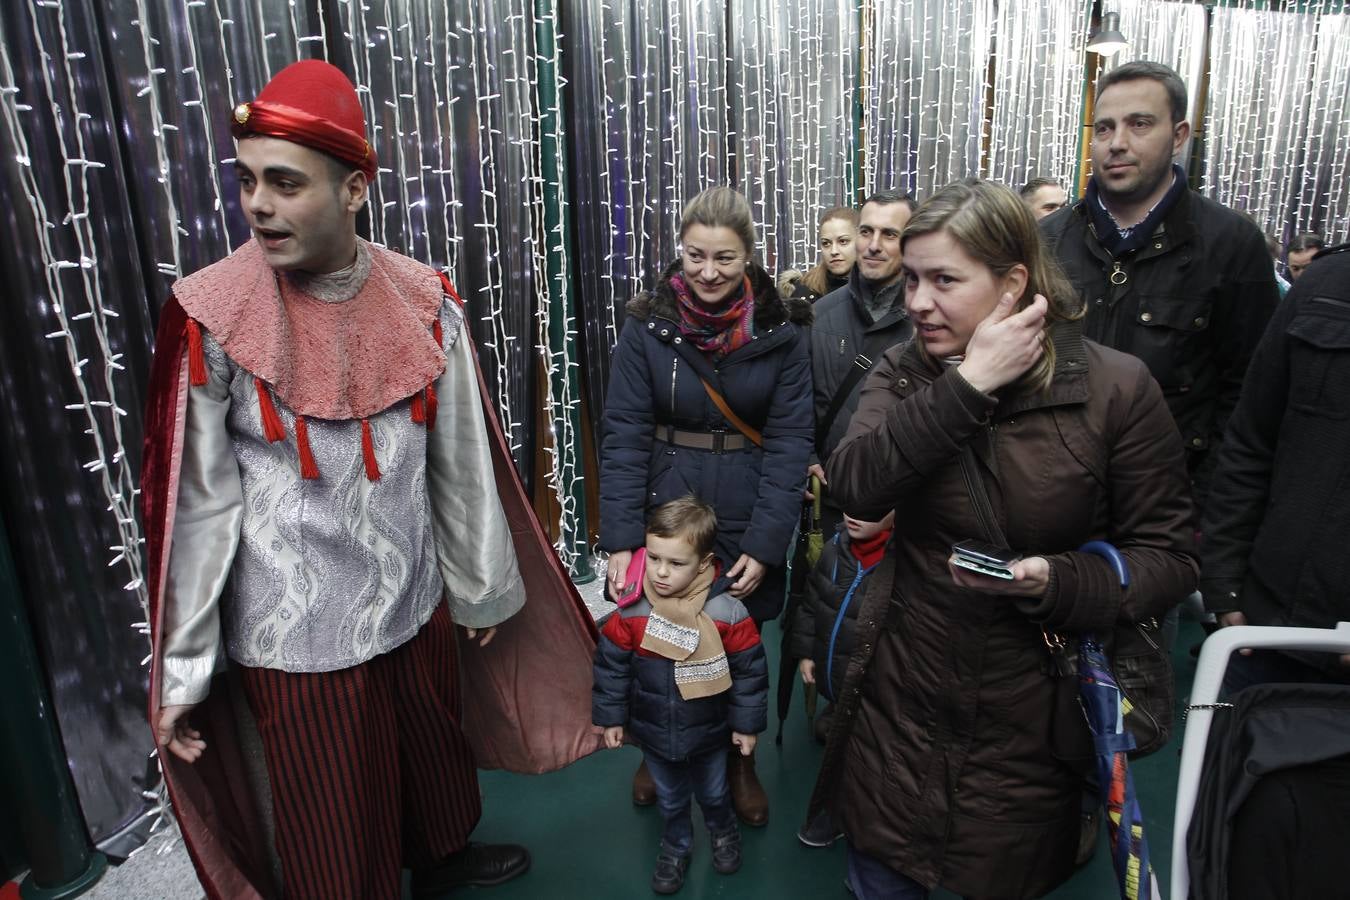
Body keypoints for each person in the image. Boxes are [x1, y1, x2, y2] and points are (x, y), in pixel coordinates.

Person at [141, 60, 601, 900]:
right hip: (300, 635)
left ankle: (442, 855)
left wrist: (479, 590)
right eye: (247, 181)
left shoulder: (423, 301)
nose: (258, 205)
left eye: (285, 183)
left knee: (431, 754)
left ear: (354, 189)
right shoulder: (213, 316)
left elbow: (461, 462)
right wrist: (180, 673)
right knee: (334, 818)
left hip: (411, 594)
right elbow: (198, 510)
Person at [815, 179, 1197, 899]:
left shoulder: (1114, 390)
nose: (917, 301)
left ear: (1012, 281)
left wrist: (1062, 585)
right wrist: (969, 385)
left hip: (1030, 723)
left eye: (944, 281)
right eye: (913, 279)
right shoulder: (906, 372)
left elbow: (1171, 557)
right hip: (902, 699)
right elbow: (856, 485)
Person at [599, 185, 813, 826]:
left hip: (747, 506)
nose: (708, 272)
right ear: (680, 252)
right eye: (696, 256)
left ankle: (738, 759)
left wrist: (767, 542)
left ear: (749, 256)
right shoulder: (646, 325)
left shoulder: (783, 333)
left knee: (734, 639)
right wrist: (621, 538)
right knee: (656, 634)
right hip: (666, 507)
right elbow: (624, 432)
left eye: (724, 258)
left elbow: (790, 442)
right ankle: (657, 748)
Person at [1040, 61, 1278, 518]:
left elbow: (1248, 395)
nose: (1118, 143)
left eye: (1140, 124)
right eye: (1104, 128)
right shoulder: (1048, 239)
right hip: (1051, 497)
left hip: (1166, 506)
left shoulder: (1231, 244)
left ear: (1180, 134)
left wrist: (1206, 511)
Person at [592, 496, 768, 895]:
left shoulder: (726, 612)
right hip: (655, 732)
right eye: (653, 558)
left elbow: (750, 673)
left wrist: (745, 726)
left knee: (714, 793)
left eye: (675, 563)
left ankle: (723, 833)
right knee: (670, 801)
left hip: (710, 732)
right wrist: (612, 717)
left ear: (704, 564)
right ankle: (676, 847)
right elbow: (611, 667)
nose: (660, 573)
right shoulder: (633, 612)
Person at [1202, 242, 1350, 689]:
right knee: (1235, 755)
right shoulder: (1327, 284)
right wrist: (1225, 587)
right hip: (1271, 627)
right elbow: (1251, 439)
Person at [807, 191, 917, 536]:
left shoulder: (927, 319)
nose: (873, 245)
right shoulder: (820, 315)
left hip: (901, 506)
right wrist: (803, 458)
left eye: (889, 234)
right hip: (828, 497)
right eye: (866, 232)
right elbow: (793, 399)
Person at [788, 510, 894, 848]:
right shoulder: (835, 548)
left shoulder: (902, 564)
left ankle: (842, 816)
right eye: (852, 502)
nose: (856, 515)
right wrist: (806, 652)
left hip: (874, 691)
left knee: (860, 760)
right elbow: (812, 602)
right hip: (836, 679)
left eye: (874, 507)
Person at [783, 206, 860, 303]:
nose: (833, 251)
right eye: (826, 243)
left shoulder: (877, 288)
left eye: (843, 241)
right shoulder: (805, 292)